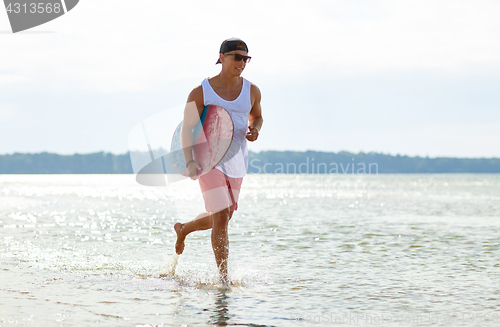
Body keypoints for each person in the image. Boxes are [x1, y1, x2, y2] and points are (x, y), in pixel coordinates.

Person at [174, 38, 263, 283]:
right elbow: (187, 128)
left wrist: (254, 129)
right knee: (221, 216)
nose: (242, 62)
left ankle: (185, 229)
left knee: (222, 217)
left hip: (237, 160)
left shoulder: (252, 90)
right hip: (208, 159)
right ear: (221, 57)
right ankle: (224, 279)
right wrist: (189, 160)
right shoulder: (201, 91)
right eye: (236, 56)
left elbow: (257, 117)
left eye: (246, 58)